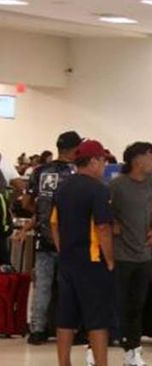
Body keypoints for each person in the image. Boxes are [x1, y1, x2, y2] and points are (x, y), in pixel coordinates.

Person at [50, 140, 115, 366]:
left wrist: (62, 249)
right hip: (92, 261)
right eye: (103, 160)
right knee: (97, 319)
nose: (105, 166)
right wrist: (110, 260)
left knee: (66, 317)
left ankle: (64, 363)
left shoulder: (63, 187)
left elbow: (54, 223)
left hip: (67, 261)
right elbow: (103, 227)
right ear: (94, 161)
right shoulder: (98, 189)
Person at [15, 131, 82, 345]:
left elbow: (25, 203)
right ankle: (70, 329)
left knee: (42, 287)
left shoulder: (39, 171)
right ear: (75, 149)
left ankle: (37, 330)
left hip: (43, 239)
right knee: (69, 288)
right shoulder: (76, 172)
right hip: (70, 240)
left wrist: (42, 214)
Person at [109, 142, 152, 366]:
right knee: (116, 303)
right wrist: (113, 223)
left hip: (143, 254)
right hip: (121, 254)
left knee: (137, 305)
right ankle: (97, 346)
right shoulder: (117, 184)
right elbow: (104, 210)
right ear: (138, 159)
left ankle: (133, 349)